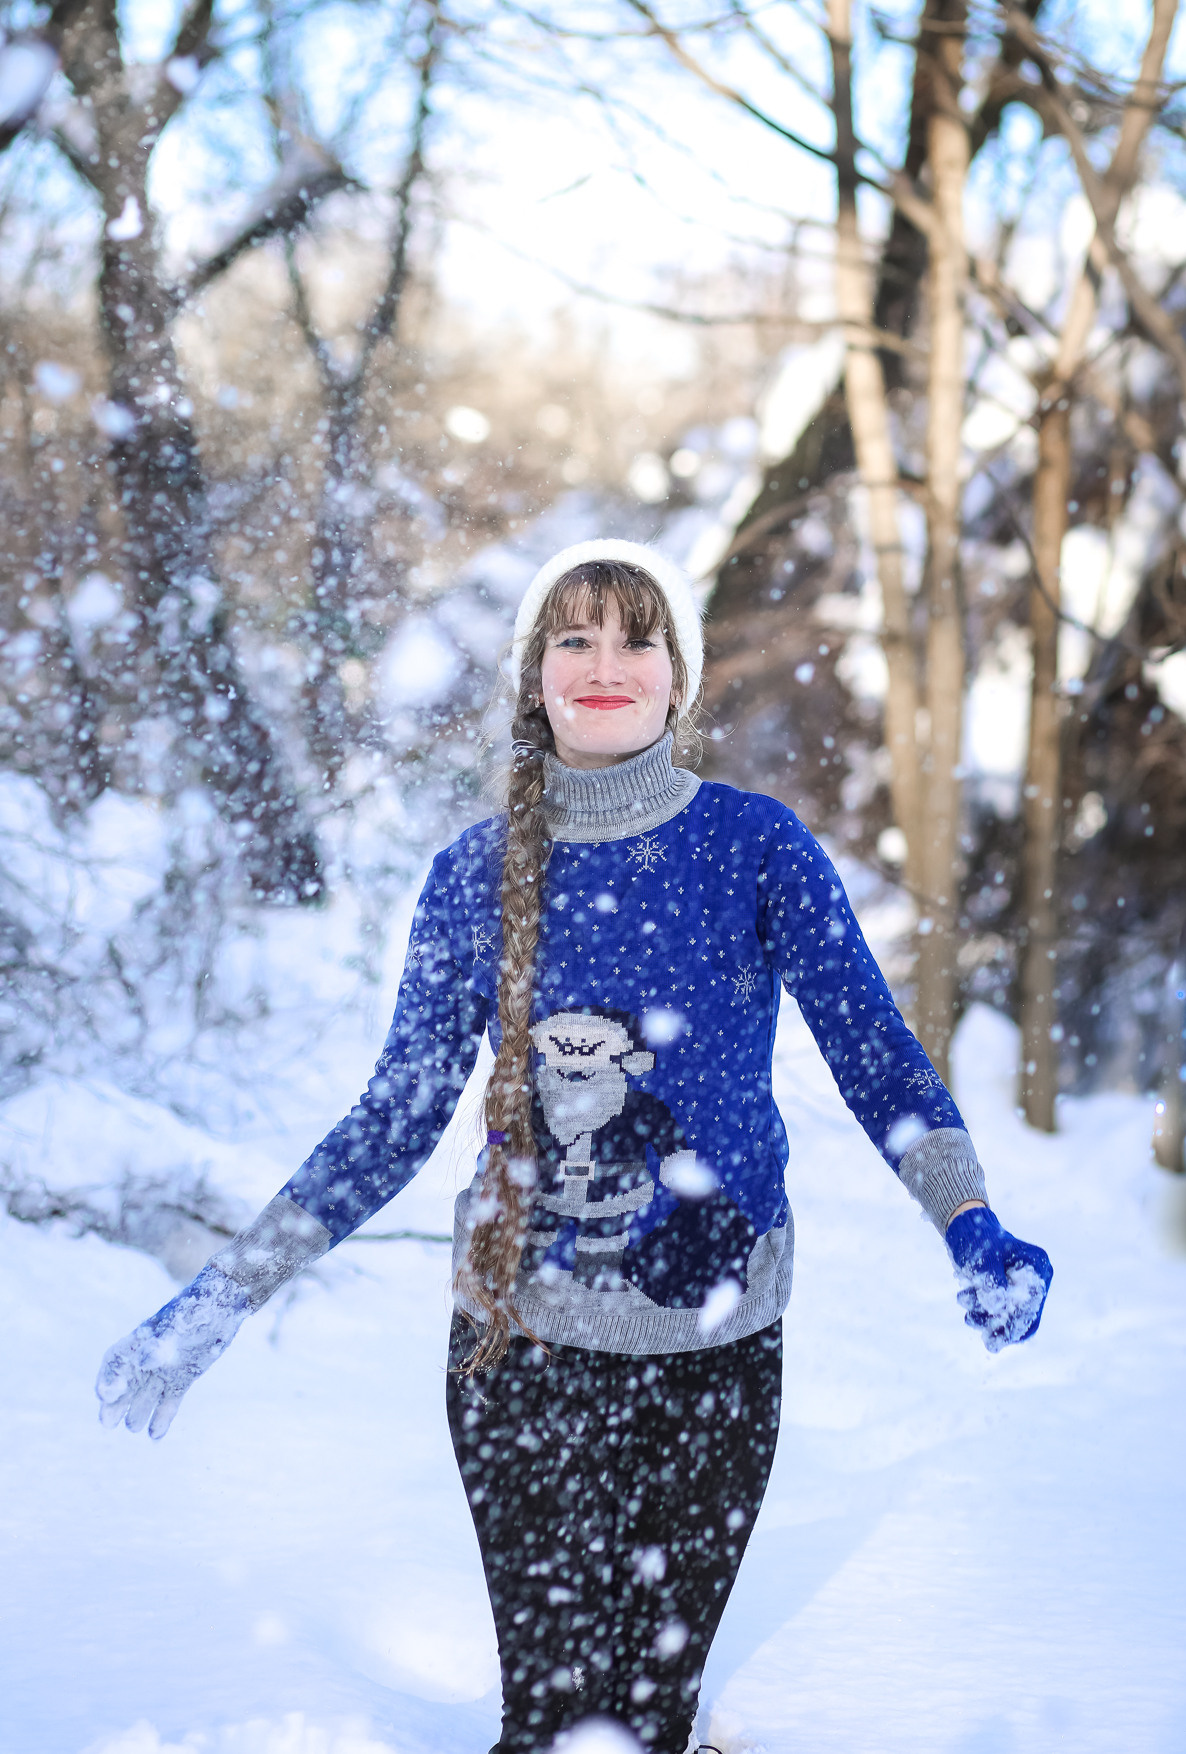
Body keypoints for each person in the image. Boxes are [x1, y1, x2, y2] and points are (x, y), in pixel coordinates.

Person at [96, 539, 1053, 1754]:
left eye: (638, 639)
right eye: (575, 638)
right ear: (536, 676)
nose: (607, 664)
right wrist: (228, 1289)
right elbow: (396, 1115)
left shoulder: (757, 850)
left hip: (714, 1361)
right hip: (519, 1355)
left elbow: (875, 1050)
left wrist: (969, 1218)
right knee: (556, 1725)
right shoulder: (470, 876)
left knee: (641, 1726)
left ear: (679, 677)